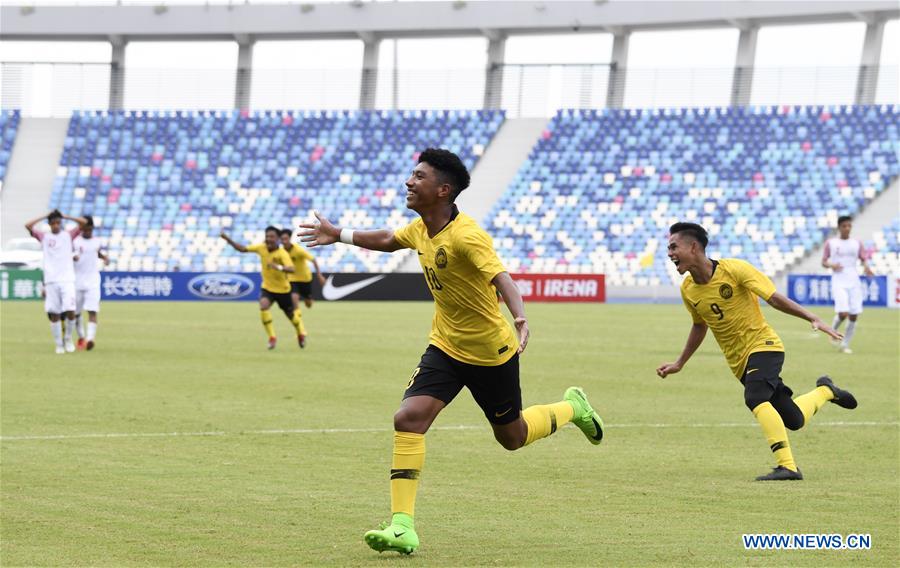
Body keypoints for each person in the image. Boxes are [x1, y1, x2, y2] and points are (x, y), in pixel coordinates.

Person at [299, 148, 605, 555]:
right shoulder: (420, 228)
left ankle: (572, 408)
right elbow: (390, 240)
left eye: (419, 176)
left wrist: (520, 317)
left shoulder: (467, 235)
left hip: (490, 352)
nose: (409, 181)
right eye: (411, 173)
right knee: (408, 418)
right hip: (444, 346)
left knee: (512, 437)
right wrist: (340, 235)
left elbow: (502, 277)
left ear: (443, 190)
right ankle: (402, 526)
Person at [657, 222, 858, 482]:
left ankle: (788, 467)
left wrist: (812, 317)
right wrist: (679, 363)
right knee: (794, 419)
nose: (669, 253)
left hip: (765, 346)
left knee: (755, 397)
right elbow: (699, 325)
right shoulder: (688, 290)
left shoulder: (734, 269)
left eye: (673, 247)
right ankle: (826, 390)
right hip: (738, 362)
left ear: (693, 246)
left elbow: (773, 298)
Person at [220, 226, 307, 349]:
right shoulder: (261, 248)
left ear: (277, 239)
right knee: (263, 305)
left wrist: (279, 267)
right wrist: (227, 239)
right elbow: (243, 249)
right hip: (267, 288)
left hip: (283, 291)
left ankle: (300, 333)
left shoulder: (282, 253)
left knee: (293, 318)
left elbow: (292, 269)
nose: (268, 239)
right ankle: (272, 337)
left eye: (272, 237)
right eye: (267, 236)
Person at [25, 209, 88, 354]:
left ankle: (68, 339)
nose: (56, 225)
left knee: (71, 310)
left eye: (58, 222)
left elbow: (84, 223)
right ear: (49, 224)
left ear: (61, 223)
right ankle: (58, 344)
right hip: (51, 280)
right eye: (53, 223)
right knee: (54, 314)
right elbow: (28, 225)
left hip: (67, 279)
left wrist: (65, 215)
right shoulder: (44, 237)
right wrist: (44, 216)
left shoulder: (68, 235)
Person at [821, 215, 874, 354]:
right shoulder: (831, 243)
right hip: (839, 280)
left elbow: (863, 258)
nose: (847, 228)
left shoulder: (856, 243)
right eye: (844, 226)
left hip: (854, 279)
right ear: (839, 227)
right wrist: (832, 265)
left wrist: (867, 268)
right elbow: (824, 261)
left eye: (849, 226)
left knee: (854, 315)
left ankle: (845, 345)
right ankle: (832, 332)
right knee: (843, 313)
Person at [73, 215, 110, 351]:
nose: (87, 232)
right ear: (81, 229)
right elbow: (70, 255)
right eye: (85, 229)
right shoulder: (75, 241)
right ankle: (81, 337)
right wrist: (74, 258)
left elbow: (97, 252)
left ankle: (90, 339)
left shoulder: (97, 241)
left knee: (92, 310)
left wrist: (104, 258)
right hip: (77, 280)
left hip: (93, 280)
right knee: (76, 313)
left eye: (90, 229)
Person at [279, 228, 326, 311]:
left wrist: (319, 275)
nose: (284, 241)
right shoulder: (281, 252)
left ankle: (308, 299)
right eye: (282, 239)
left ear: (289, 238)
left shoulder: (298, 250)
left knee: (308, 304)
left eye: (285, 239)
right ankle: (297, 318)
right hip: (292, 278)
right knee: (294, 297)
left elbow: (313, 260)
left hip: (305, 278)